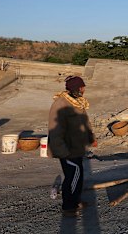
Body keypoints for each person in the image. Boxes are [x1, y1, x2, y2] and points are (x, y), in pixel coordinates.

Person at [48, 76, 96, 217]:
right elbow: (55, 130)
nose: (84, 89)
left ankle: (75, 201)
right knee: (72, 177)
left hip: (77, 148)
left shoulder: (77, 102)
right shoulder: (60, 104)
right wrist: (62, 151)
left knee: (77, 175)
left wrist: (91, 138)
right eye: (82, 87)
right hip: (68, 150)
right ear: (76, 88)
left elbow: (84, 122)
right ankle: (69, 207)